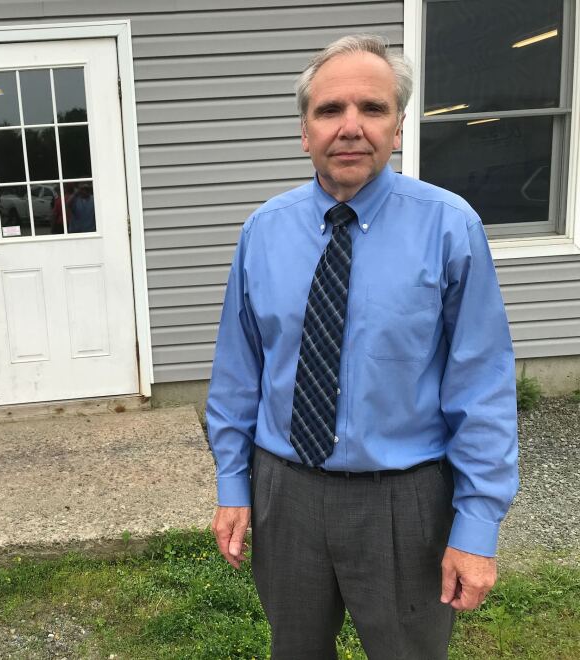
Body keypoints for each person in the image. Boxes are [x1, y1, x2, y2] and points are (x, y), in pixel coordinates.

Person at [206, 34, 518, 660]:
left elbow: (481, 382)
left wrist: (477, 527)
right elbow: (239, 373)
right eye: (330, 111)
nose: (351, 127)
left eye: (372, 109)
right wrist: (234, 485)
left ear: (398, 126)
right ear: (305, 131)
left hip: (405, 504)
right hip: (285, 496)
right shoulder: (263, 232)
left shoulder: (449, 227)